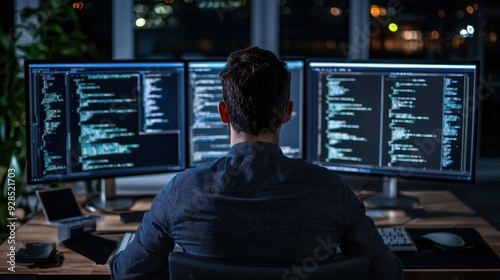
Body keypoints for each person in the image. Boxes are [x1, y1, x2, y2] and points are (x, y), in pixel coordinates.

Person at [109, 46, 403, 279]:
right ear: (287, 113)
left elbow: (127, 272)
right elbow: (387, 272)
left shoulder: (181, 193)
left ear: (223, 113)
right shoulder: (331, 191)